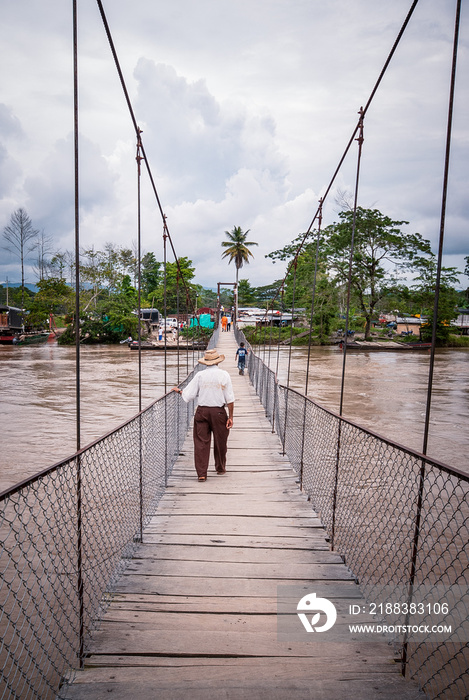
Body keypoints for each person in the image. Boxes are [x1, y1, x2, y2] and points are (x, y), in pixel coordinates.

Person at [172, 348, 234, 482]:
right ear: (218, 362)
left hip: (202, 412)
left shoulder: (200, 375)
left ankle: (202, 473)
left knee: (201, 443)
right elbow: (230, 399)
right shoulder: (224, 375)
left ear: (205, 362)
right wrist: (230, 417)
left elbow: (189, 395)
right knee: (221, 441)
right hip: (219, 412)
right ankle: (220, 468)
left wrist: (180, 391)